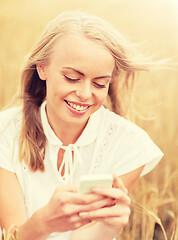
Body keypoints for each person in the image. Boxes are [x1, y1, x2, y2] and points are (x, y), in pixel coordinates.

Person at [0, 10, 163, 240]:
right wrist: (44, 222)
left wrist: (107, 229)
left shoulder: (129, 144)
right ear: (42, 68)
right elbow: (12, 236)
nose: (85, 94)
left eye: (99, 83)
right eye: (72, 78)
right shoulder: (4, 131)